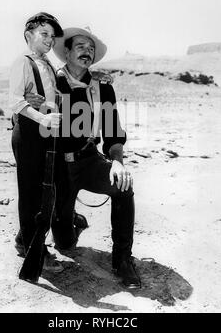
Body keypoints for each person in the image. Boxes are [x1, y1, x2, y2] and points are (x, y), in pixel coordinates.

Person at [52, 28, 141, 289]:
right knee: (64, 244)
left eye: (90, 48)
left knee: (123, 187)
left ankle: (123, 260)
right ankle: (71, 222)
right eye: (80, 46)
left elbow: (113, 132)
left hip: (89, 160)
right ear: (66, 52)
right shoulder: (50, 83)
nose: (86, 51)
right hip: (57, 167)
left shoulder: (102, 88)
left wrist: (117, 162)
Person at [9, 12, 66, 273]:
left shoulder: (48, 64)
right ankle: (36, 251)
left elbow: (57, 91)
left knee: (45, 189)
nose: (49, 41)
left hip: (45, 132)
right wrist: (41, 118)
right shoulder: (22, 62)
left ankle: (25, 239)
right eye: (44, 34)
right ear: (28, 35)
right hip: (29, 132)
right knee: (31, 193)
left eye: (52, 37)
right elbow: (16, 101)